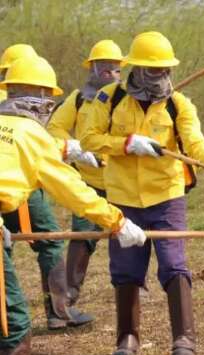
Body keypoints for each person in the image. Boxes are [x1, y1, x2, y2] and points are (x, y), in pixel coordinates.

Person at [0, 55, 146, 355]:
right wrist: (116, 221)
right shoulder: (33, 135)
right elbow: (71, 190)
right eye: (48, 98)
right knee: (13, 318)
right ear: (40, 97)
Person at [81, 31, 204, 355]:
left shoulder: (178, 103)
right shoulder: (109, 99)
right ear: (135, 68)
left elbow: (194, 142)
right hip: (123, 198)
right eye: (153, 70)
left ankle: (184, 339)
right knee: (125, 269)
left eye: (165, 70)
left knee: (174, 264)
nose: (160, 77)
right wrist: (126, 144)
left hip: (167, 197)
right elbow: (89, 140)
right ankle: (127, 338)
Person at [0, 43, 94, 330]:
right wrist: (66, 148)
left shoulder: (10, 101)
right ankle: (59, 311)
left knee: (5, 251)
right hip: (20, 185)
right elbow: (31, 147)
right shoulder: (20, 104)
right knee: (50, 240)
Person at [48, 39, 124, 306]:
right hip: (87, 182)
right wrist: (77, 148)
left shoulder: (129, 99)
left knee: (124, 234)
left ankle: (128, 289)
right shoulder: (78, 99)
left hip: (123, 182)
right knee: (82, 235)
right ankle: (70, 293)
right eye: (103, 67)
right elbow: (55, 127)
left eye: (115, 68)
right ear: (92, 68)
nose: (110, 72)